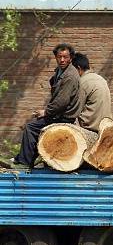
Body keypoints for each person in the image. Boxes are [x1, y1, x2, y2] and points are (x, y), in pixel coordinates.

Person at [1, 43, 81, 171]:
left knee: (31, 128)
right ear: (55, 57)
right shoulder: (61, 71)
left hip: (63, 117)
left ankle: (24, 162)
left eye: (65, 57)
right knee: (34, 127)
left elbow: (62, 102)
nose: (62, 60)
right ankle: (21, 159)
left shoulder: (70, 76)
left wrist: (46, 112)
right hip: (58, 114)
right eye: (59, 57)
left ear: (70, 58)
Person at [72, 53, 112, 132]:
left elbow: (75, 109)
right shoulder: (101, 79)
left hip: (90, 127)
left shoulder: (82, 82)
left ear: (78, 69)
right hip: (106, 125)